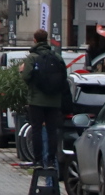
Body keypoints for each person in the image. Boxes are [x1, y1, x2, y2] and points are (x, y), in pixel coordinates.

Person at [19, 29, 68, 171]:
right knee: (52, 130)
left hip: (37, 100)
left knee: (37, 129)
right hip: (54, 101)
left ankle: (38, 160)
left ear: (35, 40)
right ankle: (52, 160)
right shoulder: (57, 57)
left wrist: (25, 75)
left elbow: (26, 77)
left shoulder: (32, 57)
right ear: (47, 39)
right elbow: (64, 77)